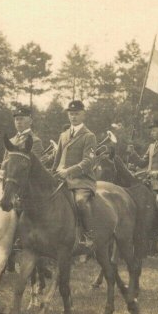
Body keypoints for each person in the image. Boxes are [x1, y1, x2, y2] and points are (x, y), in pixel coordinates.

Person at [51, 100, 98, 249]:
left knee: (80, 202)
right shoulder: (63, 135)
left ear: (83, 115)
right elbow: (57, 159)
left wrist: (68, 171)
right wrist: (53, 174)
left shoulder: (89, 136)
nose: (73, 117)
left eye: (76, 114)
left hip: (82, 180)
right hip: (62, 178)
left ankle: (88, 234)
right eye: (71, 114)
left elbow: (88, 162)